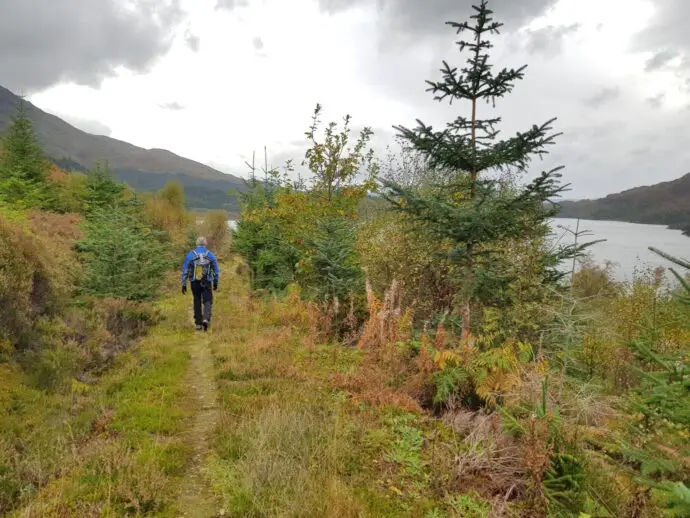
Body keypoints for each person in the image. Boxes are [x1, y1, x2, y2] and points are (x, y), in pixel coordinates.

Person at [181, 237, 220, 331]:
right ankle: (206, 319)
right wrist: (215, 282)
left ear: (196, 244)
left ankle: (198, 323)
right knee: (208, 300)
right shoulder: (210, 255)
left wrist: (184, 284)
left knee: (197, 300)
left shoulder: (191, 255)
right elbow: (216, 270)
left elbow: (185, 271)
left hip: (194, 281)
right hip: (206, 281)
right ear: (205, 244)